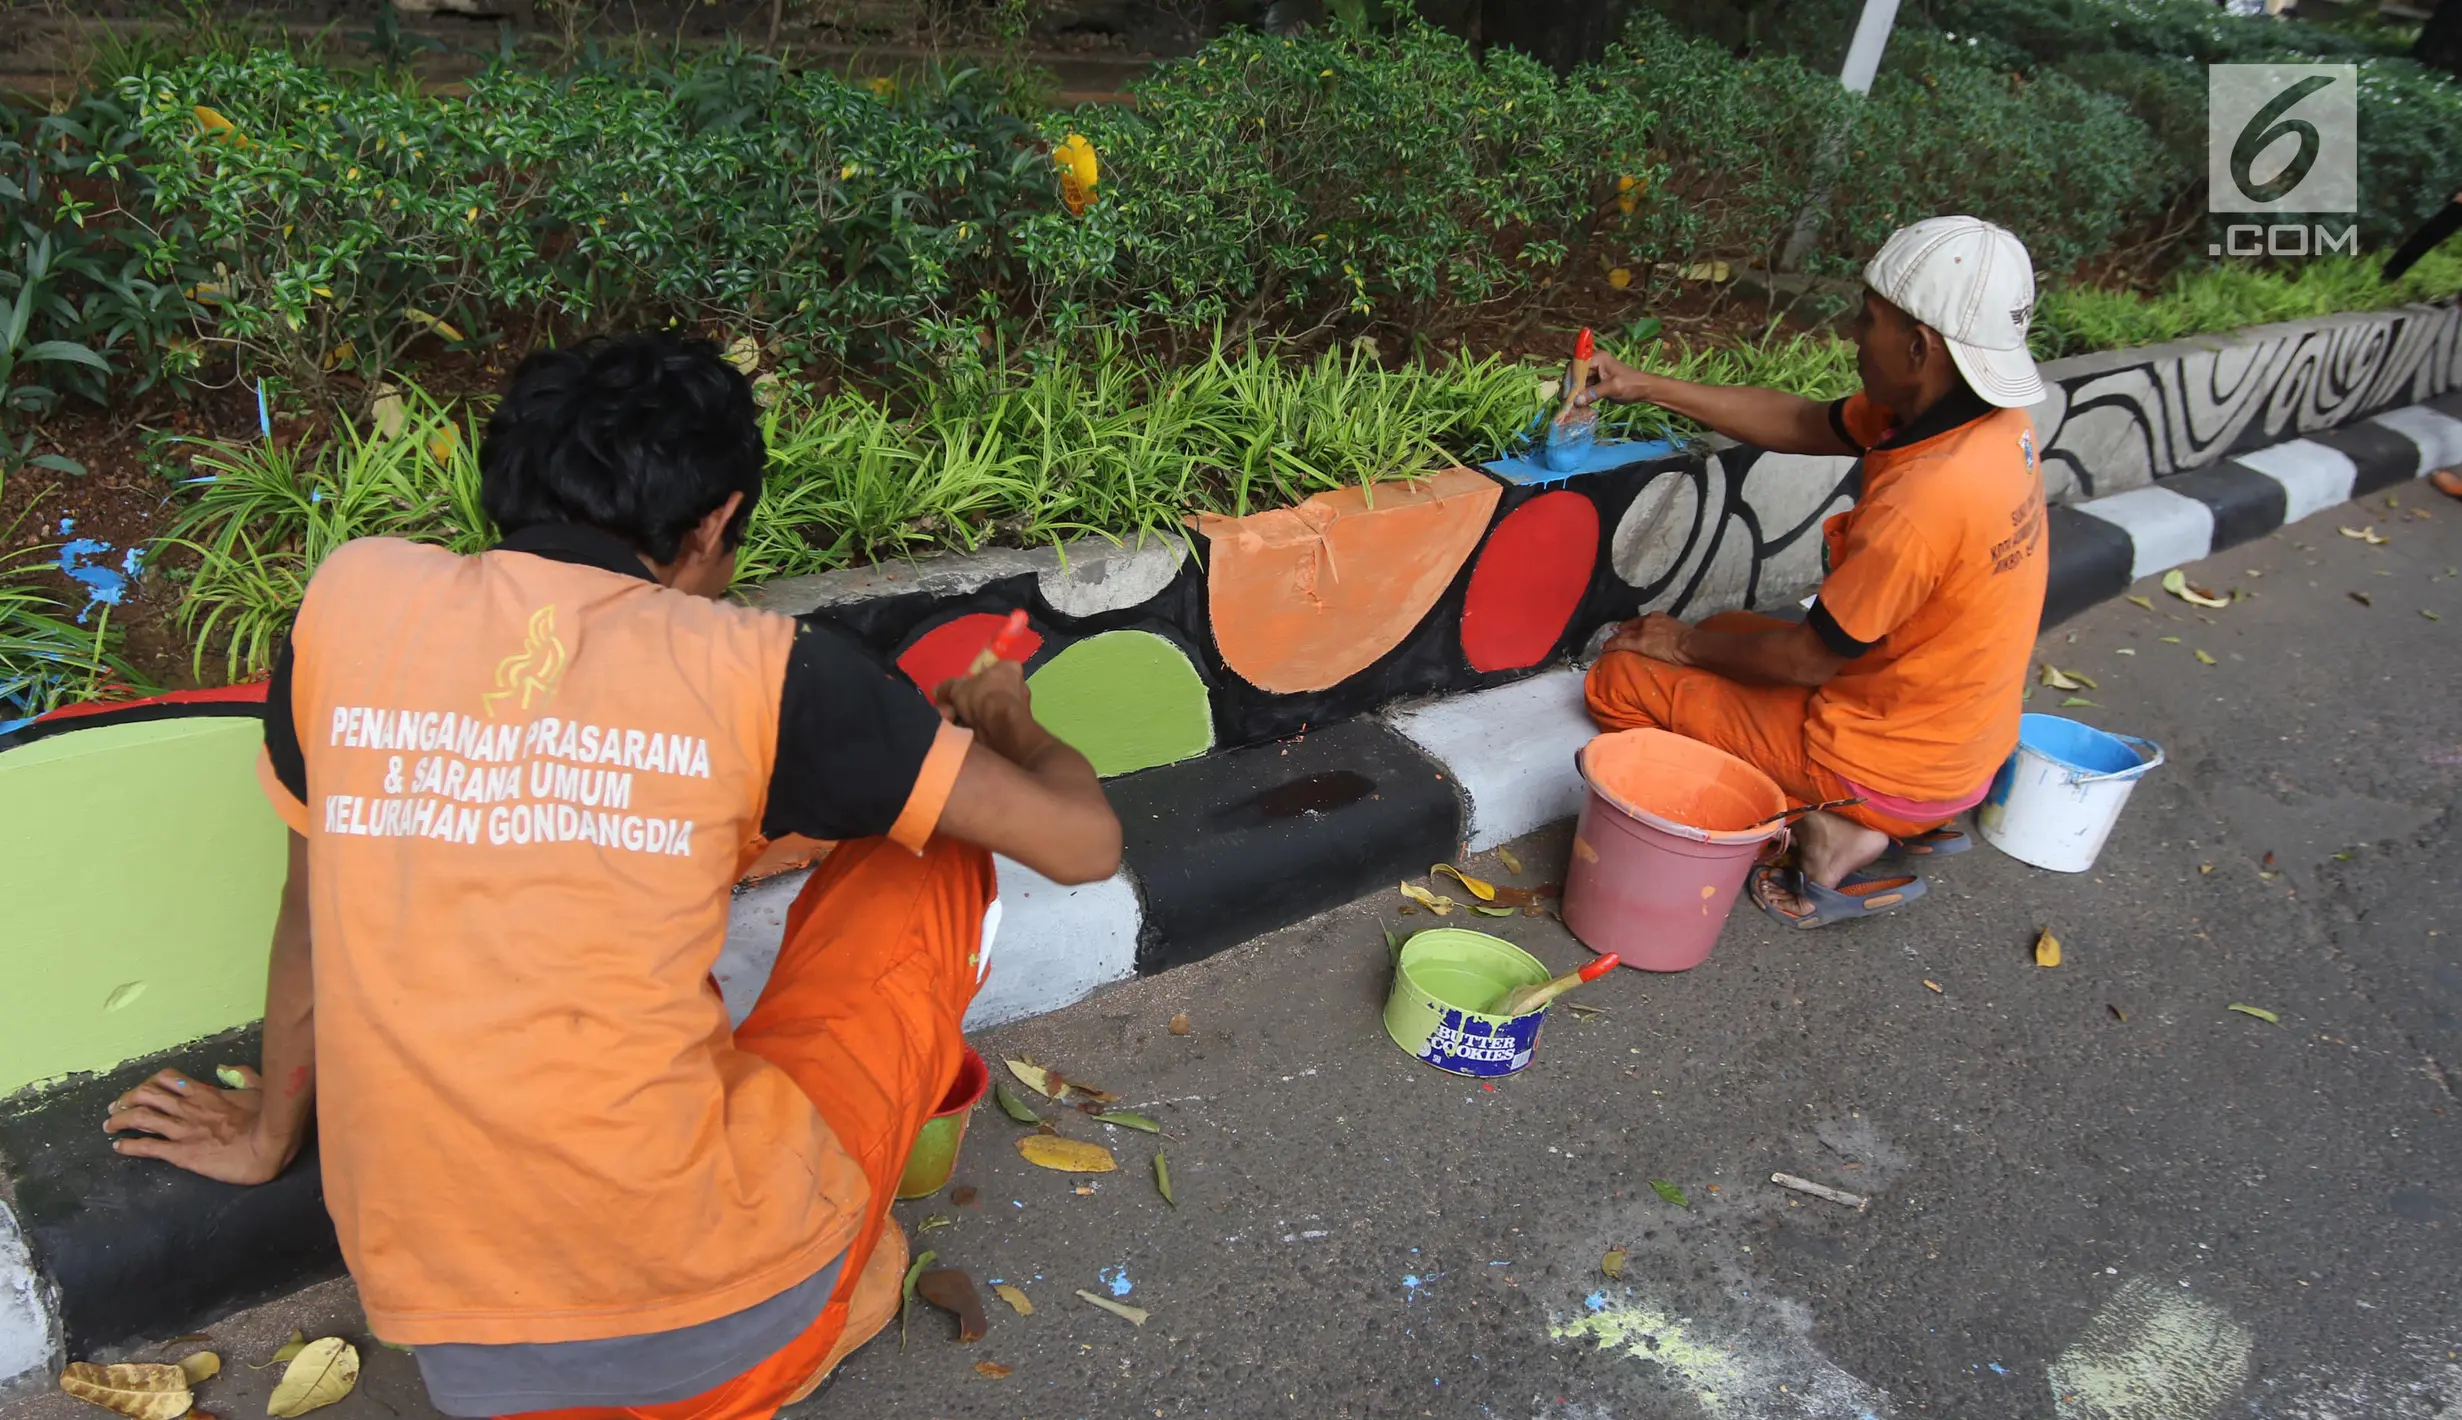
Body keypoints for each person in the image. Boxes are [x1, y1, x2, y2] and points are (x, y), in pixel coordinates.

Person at [97, 333, 1122, 1419]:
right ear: (717, 521)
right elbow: (1081, 842)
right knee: (939, 846)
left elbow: (310, 911)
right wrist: (1006, 717)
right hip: (726, 1335)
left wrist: (266, 1138)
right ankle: (833, 1295)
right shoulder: (764, 669)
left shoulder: (352, 602)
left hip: (464, 1362)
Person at [1575, 215, 2049, 928]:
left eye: (1869, 320)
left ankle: (1830, 831)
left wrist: (1678, 645)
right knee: (1729, 631)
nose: (1854, 333)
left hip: (1880, 763)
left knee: (1621, 677)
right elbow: (1804, 424)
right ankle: (1898, 817)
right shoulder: (1989, 424)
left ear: (1919, 348)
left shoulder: (1928, 498)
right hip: (1959, 754)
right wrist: (1645, 385)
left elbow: (1804, 661)